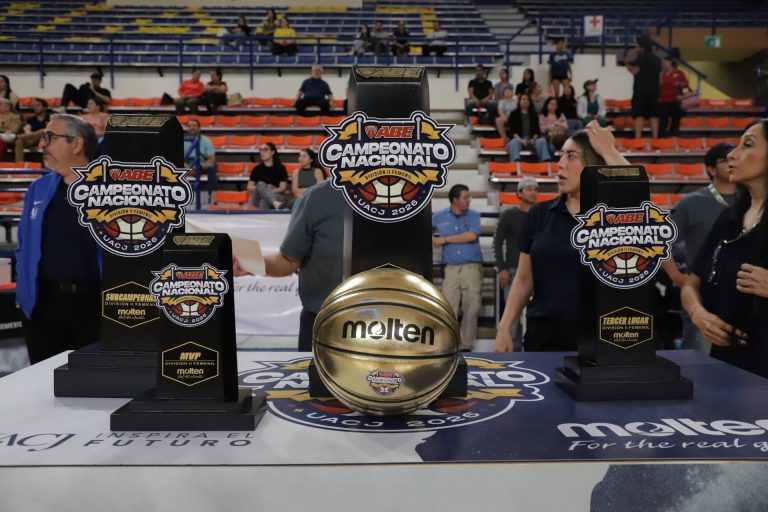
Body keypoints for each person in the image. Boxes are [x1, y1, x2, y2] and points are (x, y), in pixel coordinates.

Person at [494, 121, 631, 352]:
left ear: (592, 164)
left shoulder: (612, 216)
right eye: (560, 156)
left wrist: (609, 151)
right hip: (543, 336)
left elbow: (638, 197)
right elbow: (524, 280)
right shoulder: (539, 214)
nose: (560, 164)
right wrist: (504, 327)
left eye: (571, 156)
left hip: (601, 337)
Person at [681, 120, 768, 378]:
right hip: (727, 366)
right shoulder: (729, 218)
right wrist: (698, 314)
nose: (732, 154)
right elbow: (691, 284)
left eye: (747, 145)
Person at [16, 114, 101, 364]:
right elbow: (23, 245)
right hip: (44, 305)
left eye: (50, 137)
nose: (42, 144)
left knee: (94, 382)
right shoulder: (38, 188)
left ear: (77, 144)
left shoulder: (110, 189)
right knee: (45, 381)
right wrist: (24, 290)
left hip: (94, 306)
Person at [235, 179, 348, 351]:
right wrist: (249, 263)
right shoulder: (318, 197)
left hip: (388, 321)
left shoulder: (398, 200)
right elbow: (289, 260)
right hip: (322, 320)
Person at [662, 142, 737, 353]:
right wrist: (677, 277)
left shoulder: (752, 200)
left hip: (743, 293)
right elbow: (660, 243)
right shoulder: (692, 202)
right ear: (711, 169)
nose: (732, 163)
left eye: (734, 158)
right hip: (702, 293)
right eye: (725, 160)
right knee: (701, 358)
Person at [432, 184, 483, 352]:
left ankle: (466, 345)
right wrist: (432, 239)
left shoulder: (474, 215)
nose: (469, 200)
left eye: (469, 197)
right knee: (448, 307)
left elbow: (471, 236)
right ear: (455, 200)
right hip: (451, 268)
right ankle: (449, 344)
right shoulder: (439, 216)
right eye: (465, 197)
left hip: (471, 267)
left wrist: (444, 239)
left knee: (472, 306)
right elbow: (423, 228)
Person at [493, 177, 539, 351]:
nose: (532, 192)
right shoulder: (509, 215)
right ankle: (512, 353)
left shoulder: (540, 214)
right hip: (513, 270)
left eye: (535, 189)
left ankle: (531, 351)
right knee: (512, 316)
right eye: (528, 189)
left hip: (537, 271)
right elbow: (497, 243)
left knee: (534, 315)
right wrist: (502, 269)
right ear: (519, 193)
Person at [627, 36, 662, 139]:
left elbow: (635, 70)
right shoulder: (657, 59)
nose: (637, 48)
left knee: (639, 116)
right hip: (654, 92)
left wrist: (628, 64)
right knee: (654, 117)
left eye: (638, 46)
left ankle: (638, 139)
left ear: (642, 47)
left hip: (641, 92)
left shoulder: (641, 58)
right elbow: (660, 77)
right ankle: (655, 139)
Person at [506, 93, 550, 162]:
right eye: (523, 99)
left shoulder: (534, 114)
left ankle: (545, 163)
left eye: (527, 99)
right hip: (518, 139)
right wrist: (521, 140)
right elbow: (511, 131)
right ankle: (515, 164)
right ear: (519, 102)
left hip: (531, 140)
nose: (525, 101)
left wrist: (533, 139)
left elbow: (537, 131)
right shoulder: (514, 114)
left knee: (542, 141)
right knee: (514, 142)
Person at [183, 119, 217, 205]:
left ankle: (211, 197)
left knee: (211, 168)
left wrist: (201, 166)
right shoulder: (182, 140)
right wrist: (188, 168)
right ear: (187, 128)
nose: (192, 127)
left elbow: (211, 159)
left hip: (201, 164)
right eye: (189, 126)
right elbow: (177, 158)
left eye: (194, 126)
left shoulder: (206, 141)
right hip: (186, 165)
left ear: (199, 128)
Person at [248, 141, 288, 209]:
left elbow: (282, 188)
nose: (262, 152)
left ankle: (272, 204)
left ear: (273, 152)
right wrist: (264, 188)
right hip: (258, 197)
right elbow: (249, 187)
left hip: (276, 195)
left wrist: (267, 191)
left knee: (264, 200)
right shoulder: (257, 168)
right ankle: (274, 203)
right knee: (260, 184)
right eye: (261, 150)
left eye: (265, 150)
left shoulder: (280, 168)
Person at [658, 56, 688, 137]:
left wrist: (679, 84)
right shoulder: (660, 74)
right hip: (663, 101)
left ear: (670, 62)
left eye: (664, 62)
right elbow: (657, 86)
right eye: (662, 63)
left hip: (676, 101)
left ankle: (674, 137)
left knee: (676, 121)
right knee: (663, 122)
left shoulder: (678, 73)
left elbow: (685, 84)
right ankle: (662, 138)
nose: (663, 64)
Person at [14, 97, 49, 162]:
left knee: (43, 131)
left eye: (38, 105)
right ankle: (19, 164)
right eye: (34, 106)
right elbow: (27, 131)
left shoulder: (50, 118)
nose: (35, 107)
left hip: (46, 139)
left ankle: (16, 137)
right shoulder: (31, 119)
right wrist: (31, 133)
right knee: (19, 141)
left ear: (45, 108)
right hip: (33, 140)